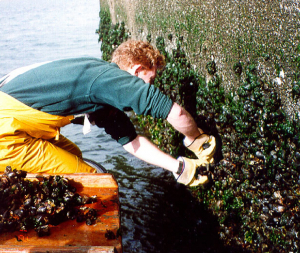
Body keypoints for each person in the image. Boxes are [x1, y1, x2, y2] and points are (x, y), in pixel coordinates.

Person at [0, 40, 215, 186]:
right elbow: (176, 113)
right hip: (6, 132)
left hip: (19, 123)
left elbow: (132, 143)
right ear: (137, 70)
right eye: (150, 80)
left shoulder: (101, 85)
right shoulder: (109, 81)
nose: (150, 86)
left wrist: (178, 167)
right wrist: (197, 140)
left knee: (74, 155)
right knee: (91, 179)